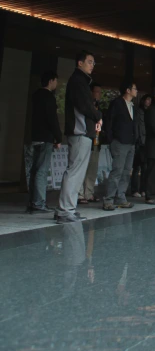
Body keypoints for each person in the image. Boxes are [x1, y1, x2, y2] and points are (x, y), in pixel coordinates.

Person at [55, 51, 102, 224]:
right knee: (75, 170)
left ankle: (68, 208)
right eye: (90, 61)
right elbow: (84, 105)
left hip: (81, 131)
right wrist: (98, 115)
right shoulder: (78, 81)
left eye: (93, 62)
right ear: (79, 63)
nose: (92, 65)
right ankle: (65, 209)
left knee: (75, 170)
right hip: (80, 131)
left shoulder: (80, 81)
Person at [27, 70, 62, 214]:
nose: (57, 84)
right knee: (42, 170)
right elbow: (52, 119)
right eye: (56, 81)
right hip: (45, 137)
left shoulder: (36, 96)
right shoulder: (49, 97)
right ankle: (39, 203)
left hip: (35, 136)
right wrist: (58, 137)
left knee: (34, 170)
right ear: (51, 81)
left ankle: (32, 201)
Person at [102, 79, 138, 211]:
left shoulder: (133, 105)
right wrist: (111, 140)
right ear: (128, 90)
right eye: (134, 88)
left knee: (126, 171)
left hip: (130, 143)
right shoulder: (116, 103)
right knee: (117, 170)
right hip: (119, 142)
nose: (136, 91)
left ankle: (120, 197)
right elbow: (109, 122)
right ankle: (108, 199)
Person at [78, 83, 102, 204]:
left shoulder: (99, 107)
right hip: (87, 137)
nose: (99, 95)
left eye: (99, 92)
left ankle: (89, 192)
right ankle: (80, 193)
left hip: (96, 141)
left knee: (92, 168)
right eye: (97, 92)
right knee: (83, 168)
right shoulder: (87, 106)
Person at [131, 94, 151, 198]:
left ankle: (143, 189)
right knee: (136, 167)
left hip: (146, 142)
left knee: (145, 168)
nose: (148, 102)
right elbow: (137, 127)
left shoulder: (150, 112)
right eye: (147, 100)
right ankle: (134, 189)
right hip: (139, 143)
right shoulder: (139, 112)